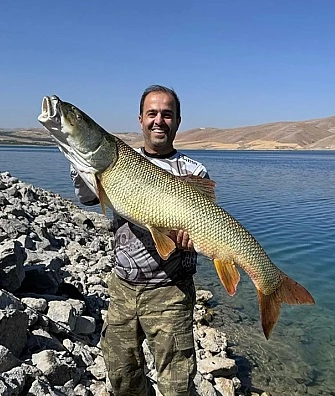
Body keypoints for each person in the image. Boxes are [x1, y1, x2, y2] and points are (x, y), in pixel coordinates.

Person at [71, 85, 209, 395]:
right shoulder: (119, 160)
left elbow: (204, 227)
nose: (159, 120)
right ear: (140, 119)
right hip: (122, 289)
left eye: (167, 114)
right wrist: (77, 155)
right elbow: (87, 198)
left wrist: (190, 241)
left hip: (171, 293)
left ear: (177, 121)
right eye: (152, 114)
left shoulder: (193, 170)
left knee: (176, 386)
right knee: (123, 378)